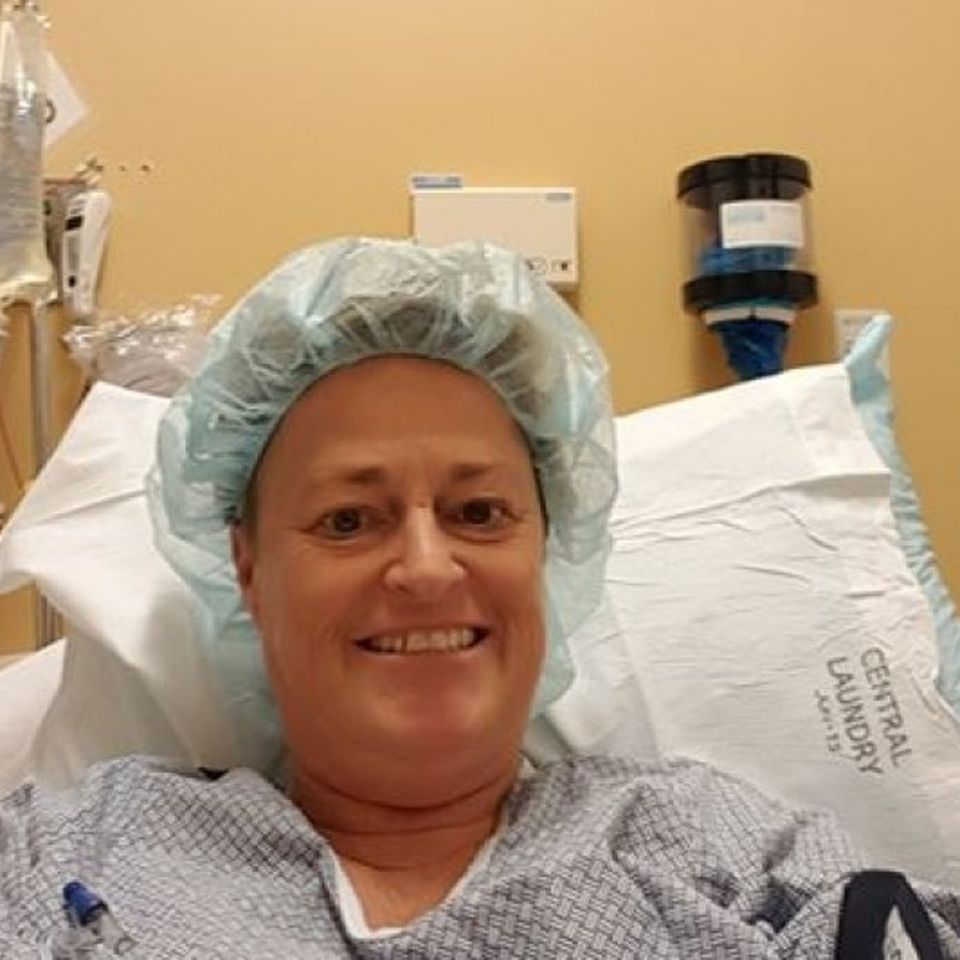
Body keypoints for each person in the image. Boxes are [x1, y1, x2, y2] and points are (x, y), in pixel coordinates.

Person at [1, 238, 958, 958]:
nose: (426, 569)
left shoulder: (719, 856)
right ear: (248, 569)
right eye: (348, 520)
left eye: (478, 512)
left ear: (546, 551)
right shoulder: (78, 854)